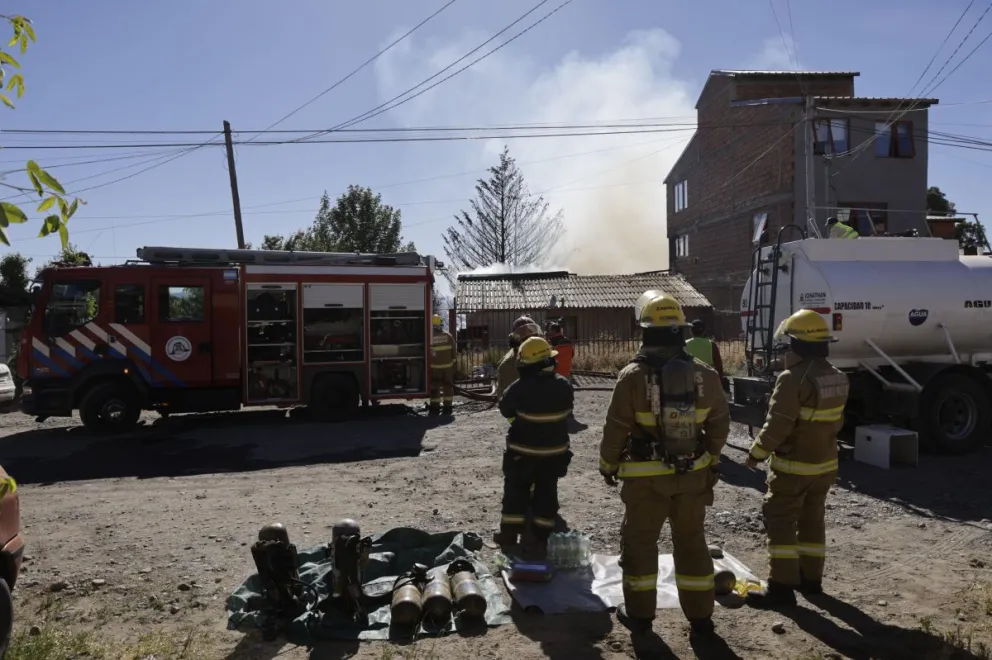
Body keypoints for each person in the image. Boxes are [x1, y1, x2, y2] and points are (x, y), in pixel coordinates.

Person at [599, 291, 731, 636]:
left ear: (644, 330)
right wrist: (711, 460)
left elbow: (616, 428)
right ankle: (701, 618)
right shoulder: (706, 375)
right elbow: (719, 423)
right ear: (683, 330)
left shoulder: (631, 377)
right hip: (692, 476)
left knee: (641, 544)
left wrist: (608, 464)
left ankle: (641, 617)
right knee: (691, 542)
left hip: (645, 481)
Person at [743, 309, 850, 608]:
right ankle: (811, 581)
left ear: (799, 345)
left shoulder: (792, 379)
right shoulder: (839, 376)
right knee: (813, 520)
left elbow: (778, 425)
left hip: (794, 468)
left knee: (780, 521)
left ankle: (781, 588)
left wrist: (756, 454)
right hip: (826, 466)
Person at [494, 336, 575, 558]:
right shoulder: (563, 385)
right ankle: (540, 538)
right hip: (554, 454)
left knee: (516, 491)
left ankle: (509, 535)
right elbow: (567, 411)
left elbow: (505, 409)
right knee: (547, 493)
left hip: (522, 453)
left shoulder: (518, 388)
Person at [495, 316, 542, 400]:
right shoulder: (508, 365)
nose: (530, 339)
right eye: (524, 336)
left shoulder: (544, 354)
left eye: (532, 333)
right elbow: (507, 399)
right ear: (515, 340)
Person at [429, 314, 456, 416]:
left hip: (435, 367)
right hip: (447, 367)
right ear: (440, 323)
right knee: (448, 387)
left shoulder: (429, 337)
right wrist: (453, 363)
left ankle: (435, 406)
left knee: (435, 387)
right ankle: (447, 406)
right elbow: (454, 351)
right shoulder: (448, 336)